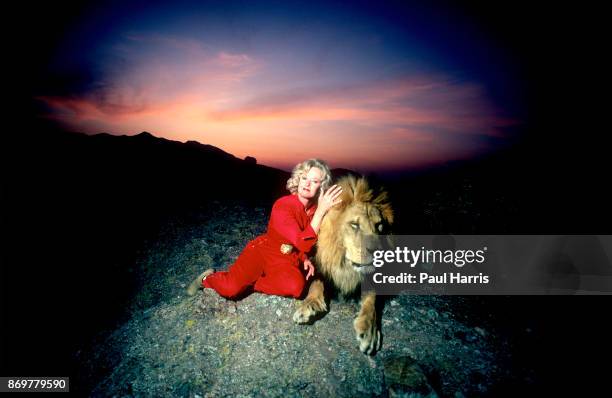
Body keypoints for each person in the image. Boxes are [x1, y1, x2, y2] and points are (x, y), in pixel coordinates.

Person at [186, 158, 342, 299]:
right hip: (262, 251)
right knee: (231, 289)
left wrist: (304, 258)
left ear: (322, 188)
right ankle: (206, 279)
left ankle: (251, 285)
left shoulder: (314, 210)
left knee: (296, 287)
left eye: (314, 181)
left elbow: (301, 245)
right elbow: (302, 241)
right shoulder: (283, 206)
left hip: (286, 257)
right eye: (304, 178)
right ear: (298, 179)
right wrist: (321, 212)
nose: (307, 184)